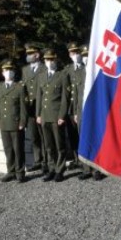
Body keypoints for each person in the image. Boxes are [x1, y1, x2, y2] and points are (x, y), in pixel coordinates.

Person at [36, 48, 70, 182]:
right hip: (44, 116)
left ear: (55, 60)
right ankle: (51, 168)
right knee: (48, 145)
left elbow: (64, 98)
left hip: (56, 116)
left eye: (51, 60)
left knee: (59, 144)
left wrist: (62, 115)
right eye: (47, 60)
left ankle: (60, 170)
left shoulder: (62, 76)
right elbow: (39, 96)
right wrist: (38, 114)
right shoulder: (41, 76)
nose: (49, 62)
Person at [0, 60, 27, 183]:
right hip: (4, 123)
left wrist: (23, 121)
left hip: (16, 122)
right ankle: (11, 171)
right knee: (8, 149)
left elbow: (23, 106)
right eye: (6, 70)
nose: (8, 72)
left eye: (10, 70)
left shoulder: (19, 87)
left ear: (14, 72)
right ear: (2, 73)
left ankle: (20, 172)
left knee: (18, 148)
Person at [75, 46, 103, 181]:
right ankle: (86, 168)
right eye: (84, 55)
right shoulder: (79, 73)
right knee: (83, 139)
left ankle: (96, 169)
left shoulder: (98, 71)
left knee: (96, 138)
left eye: (88, 55)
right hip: (81, 110)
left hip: (95, 111)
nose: (86, 58)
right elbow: (75, 95)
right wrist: (75, 112)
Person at [21, 44, 48, 174]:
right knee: (33, 135)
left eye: (31, 53)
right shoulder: (25, 70)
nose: (28, 56)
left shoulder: (44, 68)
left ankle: (46, 161)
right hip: (30, 107)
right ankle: (38, 160)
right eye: (27, 53)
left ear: (37, 55)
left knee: (44, 135)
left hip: (42, 106)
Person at [64, 41, 84, 171]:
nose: (75, 55)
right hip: (70, 107)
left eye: (77, 52)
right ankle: (76, 158)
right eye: (72, 53)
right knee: (72, 135)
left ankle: (84, 160)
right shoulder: (67, 70)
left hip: (80, 107)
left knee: (82, 133)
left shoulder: (85, 68)